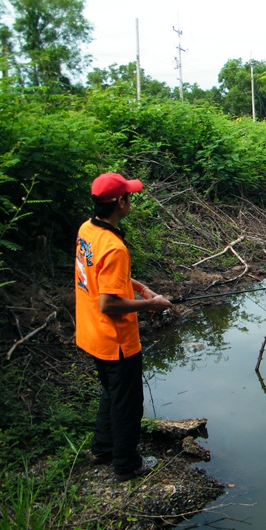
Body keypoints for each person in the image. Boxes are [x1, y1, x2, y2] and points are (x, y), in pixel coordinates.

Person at [74, 172, 172, 481]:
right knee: (128, 405)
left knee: (111, 392)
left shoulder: (88, 230)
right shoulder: (115, 248)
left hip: (92, 334)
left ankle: (104, 448)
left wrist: (141, 288)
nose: (131, 199)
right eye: (129, 195)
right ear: (120, 202)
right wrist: (151, 305)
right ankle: (127, 465)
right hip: (116, 341)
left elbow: (99, 276)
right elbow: (110, 303)